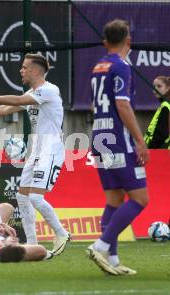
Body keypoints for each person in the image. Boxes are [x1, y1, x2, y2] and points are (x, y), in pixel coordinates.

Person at [0, 53, 71, 256]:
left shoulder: (49, 90)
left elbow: (18, 100)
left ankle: (62, 233)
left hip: (51, 150)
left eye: (24, 67)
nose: (21, 70)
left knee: (36, 198)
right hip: (36, 150)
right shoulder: (33, 92)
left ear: (36, 71)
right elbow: (6, 108)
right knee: (22, 196)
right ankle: (31, 242)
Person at [86, 19, 149, 276]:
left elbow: (94, 106)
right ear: (128, 41)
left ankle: (111, 259)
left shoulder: (98, 66)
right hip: (117, 138)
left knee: (114, 199)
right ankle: (100, 246)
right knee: (140, 199)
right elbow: (123, 105)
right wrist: (140, 140)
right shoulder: (122, 66)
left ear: (104, 42)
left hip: (99, 136)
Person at [144, 76, 170, 148]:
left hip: (161, 151)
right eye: (154, 86)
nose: (155, 89)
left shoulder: (166, 106)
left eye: (159, 86)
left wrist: (151, 148)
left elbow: (161, 133)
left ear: (167, 88)